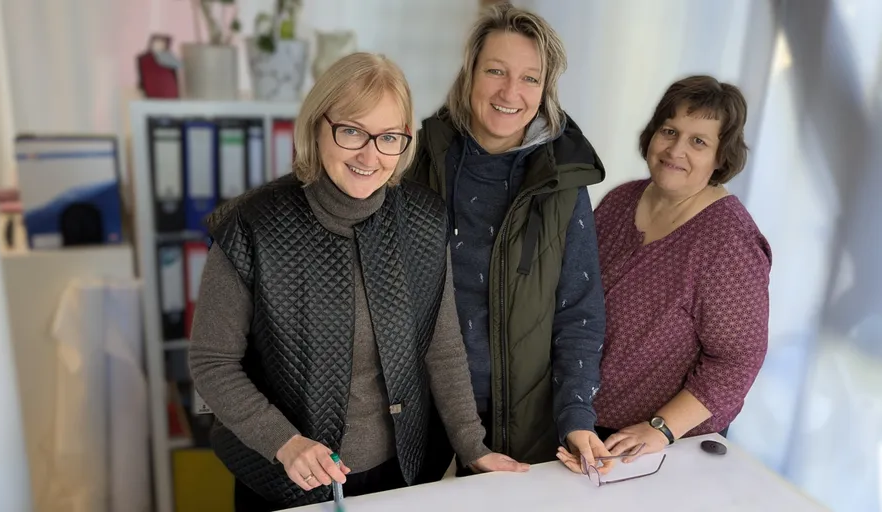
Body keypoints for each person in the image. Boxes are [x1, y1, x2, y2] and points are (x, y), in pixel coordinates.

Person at [188, 52, 527, 512]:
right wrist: (285, 442)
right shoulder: (251, 226)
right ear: (317, 125)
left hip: (401, 476)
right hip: (284, 482)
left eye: (389, 137)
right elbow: (213, 364)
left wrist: (474, 447)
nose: (370, 155)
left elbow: (441, 347)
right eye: (351, 131)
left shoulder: (424, 221)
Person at [405, 3, 613, 474]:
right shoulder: (420, 160)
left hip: (523, 423)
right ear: (470, 74)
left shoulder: (564, 185)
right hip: (417, 410)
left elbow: (580, 313)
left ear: (546, 89)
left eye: (530, 79)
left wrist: (577, 416)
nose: (510, 92)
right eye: (496, 71)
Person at [559, 75, 772, 472]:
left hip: (662, 447)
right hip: (584, 424)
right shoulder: (621, 200)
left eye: (699, 141)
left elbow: (737, 361)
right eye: (669, 131)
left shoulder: (728, 240)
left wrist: (660, 429)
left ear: (721, 157)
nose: (676, 149)